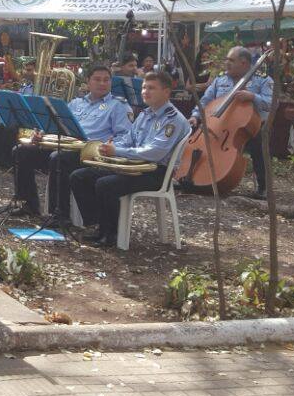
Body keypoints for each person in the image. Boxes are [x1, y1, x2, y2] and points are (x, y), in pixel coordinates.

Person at [68, 71, 190, 247]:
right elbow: (128, 140)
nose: (145, 92)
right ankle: (97, 225)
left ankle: (111, 234)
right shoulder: (145, 114)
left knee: (105, 184)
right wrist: (110, 146)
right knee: (79, 176)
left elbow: (154, 152)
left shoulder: (173, 119)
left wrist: (117, 151)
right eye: (144, 87)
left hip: (155, 172)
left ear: (166, 92)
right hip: (133, 166)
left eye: (152, 88)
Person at [11, 65, 132, 219]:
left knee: (58, 158)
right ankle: (29, 204)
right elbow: (57, 124)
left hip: (91, 154)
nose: (102, 83)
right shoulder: (76, 103)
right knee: (21, 151)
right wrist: (41, 134)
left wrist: (108, 146)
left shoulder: (118, 105)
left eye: (106, 80)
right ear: (88, 82)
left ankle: (60, 214)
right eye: (97, 79)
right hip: (68, 147)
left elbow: (125, 137)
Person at [188, 46, 272, 199]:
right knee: (201, 142)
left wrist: (253, 97)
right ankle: (193, 176)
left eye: (231, 60)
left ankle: (263, 187)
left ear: (244, 63)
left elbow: (271, 103)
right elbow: (206, 100)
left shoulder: (263, 79)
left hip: (251, 127)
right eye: (227, 59)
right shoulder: (220, 80)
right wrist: (195, 115)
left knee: (259, 145)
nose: (227, 63)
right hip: (220, 126)